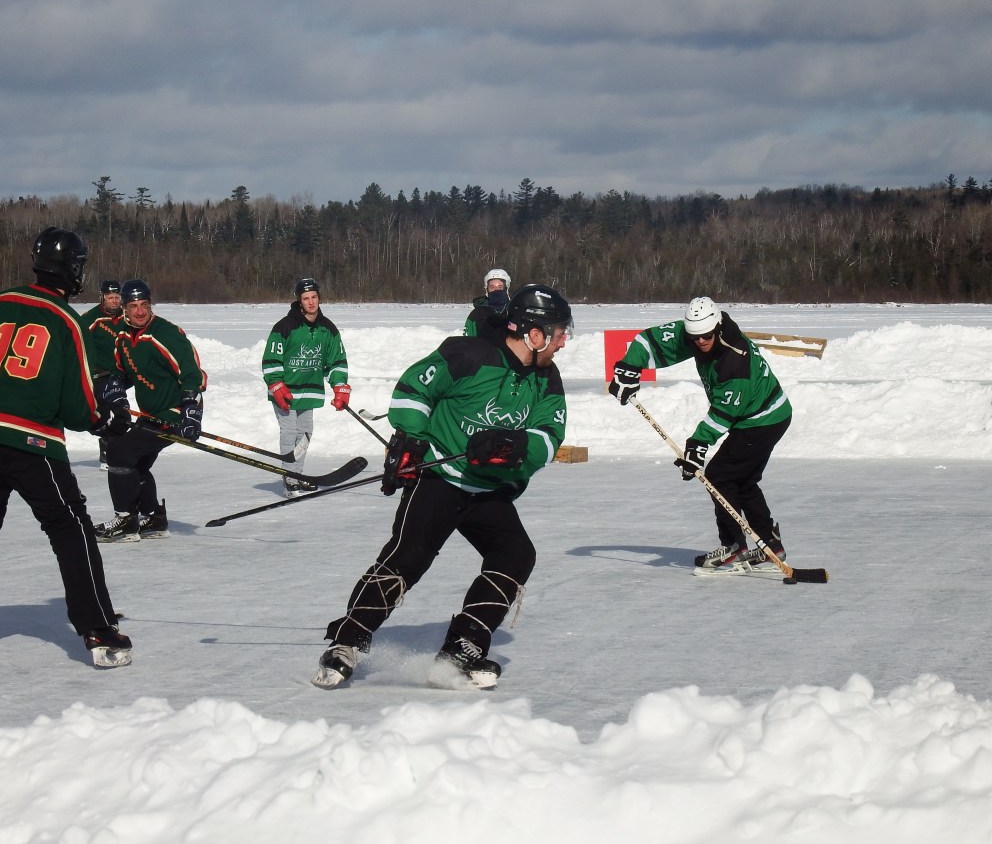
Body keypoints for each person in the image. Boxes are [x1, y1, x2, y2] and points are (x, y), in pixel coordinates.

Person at [312, 283, 571, 691]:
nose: (563, 342)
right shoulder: (468, 354)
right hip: (440, 478)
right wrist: (413, 440)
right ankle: (347, 642)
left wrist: (515, 445)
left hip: (488, 490)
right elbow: (412, 391)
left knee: (516, 555)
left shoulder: (546, 378)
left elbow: (550, 435)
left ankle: (461, 649)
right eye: (558, 333)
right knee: (408, 558)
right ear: (533, 334)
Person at [0, 227, 134, 668]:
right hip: (30, 438)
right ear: (73, 270)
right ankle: (98, 629)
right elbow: (78, 407)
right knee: (69, 525)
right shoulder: (67, 321)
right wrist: (103, 421)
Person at [607, 296, 792, 570]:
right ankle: (770, 544)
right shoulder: (694, 333)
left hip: (764, 418)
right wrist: (629, 368)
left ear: (717, 328)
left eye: (706, 336)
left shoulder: (734, 360)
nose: (701, 342)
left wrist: (696, 447)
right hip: (752, 415)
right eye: (695, 337)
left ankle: (734, 545)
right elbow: (648, 341)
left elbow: (724, 413)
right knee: (742, 480)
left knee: (718, 476)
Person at [94, 278, 206, 543]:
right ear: (124, 308)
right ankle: (153, 518)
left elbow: (191, 374)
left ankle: (125, 520)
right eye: (133, 306)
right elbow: (123, 372)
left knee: (119, 451)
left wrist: (190, 412)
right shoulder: (123, 336)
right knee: (136, 463)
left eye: (144, 305)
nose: (140, 311)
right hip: (151, 414)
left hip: (174, 412)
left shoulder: (165, 334)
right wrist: (114, 390)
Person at [261, 277, 350, 496]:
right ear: (299, 301)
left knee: (305, 432)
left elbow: (336, 361)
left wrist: (339, 386)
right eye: (306, 298)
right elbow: (271, 359)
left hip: (309, 389)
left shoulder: (328, 329)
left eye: (314, 297)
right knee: (289, 431)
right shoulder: (285, 326)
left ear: (319, 298)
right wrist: (276, 384)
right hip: (286, 390)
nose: (311, 302)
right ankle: (289, 477)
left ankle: (297, 475)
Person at [81, 280, 124, 470]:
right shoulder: (92, 318)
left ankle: (115, 450)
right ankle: (108, 451)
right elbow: (75, 339)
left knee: (121, 414)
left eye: (117, 297)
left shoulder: (127, 317)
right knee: (106, 413)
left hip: (121, 374)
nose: (114, 301)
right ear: (102, 298)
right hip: (100, 374)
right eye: (110, 297)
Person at [463, 268, 511, 338]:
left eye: (500, 287)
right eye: (492, 287)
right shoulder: (477, 314)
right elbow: (467, 340)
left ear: (506, 288)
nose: (496, 290)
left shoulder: (514, 312)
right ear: (487, 289)